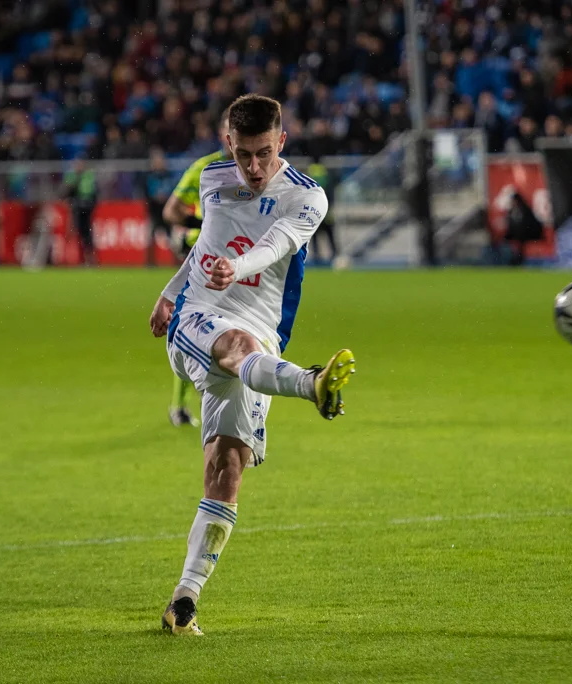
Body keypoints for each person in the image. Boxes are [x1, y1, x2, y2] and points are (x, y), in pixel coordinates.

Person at [148, 95, 355, 636]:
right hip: (200, 318)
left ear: (281, 142)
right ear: (228, 145)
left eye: (265, 153)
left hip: (260, 338)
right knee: (236, 344)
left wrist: (234, 267)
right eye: (244, 156)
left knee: (226, 471)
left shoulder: (308, 199)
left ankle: (183, 601)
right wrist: (170, 293)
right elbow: (201, 250)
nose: (255, 168)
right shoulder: (213, 179)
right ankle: (312, 384)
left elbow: (275, 245)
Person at [159, 107, 231, 428]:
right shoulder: (205, 169)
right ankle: (182, 404)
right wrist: (201, 226)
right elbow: (171, 211)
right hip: (206, 258)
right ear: (221, 134)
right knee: (198, 326)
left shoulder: (257, 170)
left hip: (240, 263)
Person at [142, 148, 173, 268]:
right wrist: (155, 198)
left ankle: (174, 262)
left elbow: (172, 191)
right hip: (154, 211)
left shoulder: (168, 176)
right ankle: (149, 262)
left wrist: (164, 197)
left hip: (166, 211)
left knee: (171, 239)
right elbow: (147, 193)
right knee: (150, 238)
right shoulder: (149, 176)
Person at [63, 158, 98, 265]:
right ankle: (73, 258)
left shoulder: (87, 176)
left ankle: (87, 259)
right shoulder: (73, 176)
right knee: (76, 232)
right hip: (77, 208)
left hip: (84, 209)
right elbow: (67, 191)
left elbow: (91, 193)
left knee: (85, 233)